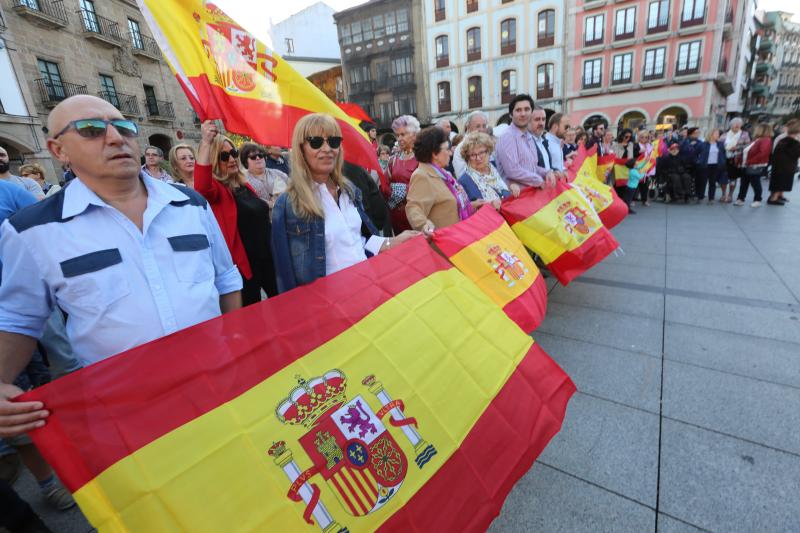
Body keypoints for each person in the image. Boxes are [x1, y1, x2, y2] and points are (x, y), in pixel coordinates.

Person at [0, 94, 242, 435]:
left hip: (221, 389)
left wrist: (236, 347)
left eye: (124, 128)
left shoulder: (191, 205)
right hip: (130, 414)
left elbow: (226, 279)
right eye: (90, 129)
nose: (115, 138)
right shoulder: (32, 230)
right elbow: (18, 318)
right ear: (58, 150)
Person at [271, 113, 418, 292]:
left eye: (333, 141)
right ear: (301, 149)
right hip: (331, 308)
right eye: (316, 142)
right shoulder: (288, 205)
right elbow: (286, 277)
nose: (327, 149)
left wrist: (393, 242)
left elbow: (357, 240)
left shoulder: (349, 190)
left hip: (370, 292)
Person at [195, 122, 278, 304]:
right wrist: (207, 143)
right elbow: (201, 186)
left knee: (284, 305)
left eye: (233, 153)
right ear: (215, 159)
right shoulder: (217, 191)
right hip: (245, 266)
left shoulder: (243, 184)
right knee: (254, 318)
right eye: (224, 156)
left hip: (268, 257)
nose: (232, 159)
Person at [406, 126, 477, 235]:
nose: (450, 153)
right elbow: (414, 208)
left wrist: (476, 205)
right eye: (447, 149)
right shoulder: (422, 175)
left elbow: (453, 206)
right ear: (435, 154)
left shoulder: (445, 174)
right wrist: (425, 226)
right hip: (445, 244)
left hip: (460, 237)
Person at [495, 94, 556, 192]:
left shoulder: (529, 137)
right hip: (516, 199)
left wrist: (547, 172)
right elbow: (512, 171)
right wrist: (538, 180)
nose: (523, 114)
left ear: (531, 112)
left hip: (530, 195)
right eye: (518, 110)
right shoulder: (508, 137)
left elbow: (533, 167)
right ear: (511, 114)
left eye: (527, 109)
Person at [382, 115, 420, 233]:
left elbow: (424, 187)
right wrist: (392, 193)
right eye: (397, 135)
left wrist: (403, 190)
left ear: (414, 135)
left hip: (416, 216)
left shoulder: (422, 159)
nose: (399, 139)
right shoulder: (393, 160)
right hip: (396, 217)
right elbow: (384, 185)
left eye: (403, 134)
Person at [343, 160, 393, 236]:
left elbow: (365, 206)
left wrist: (369, 235)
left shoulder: (350, 169)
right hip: (372, 223)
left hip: (377, 224)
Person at [457, 132, 508, 204]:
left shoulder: (497, 167)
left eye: (481, 152)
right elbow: (465, 210)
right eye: (473, 155)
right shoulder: (463, 181)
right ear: (467, 158)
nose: (478, 158)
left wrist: (512, 186)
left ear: (488, 151)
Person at [239, 142, 288, 211]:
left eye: (260, 155)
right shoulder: (242, 180)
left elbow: (293, 188)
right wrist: (270, 204)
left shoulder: (278, 173)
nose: (258, 158)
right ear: (246, 162)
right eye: (253, 157)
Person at [736, 123, 772, 208]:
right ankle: (741, 199)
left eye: (757, 128)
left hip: (755, 165)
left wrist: (750, 161)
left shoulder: (766, 140)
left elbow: (763, 153)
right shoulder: (757, 139)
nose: (755, 130)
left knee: (755, 183)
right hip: (747, 164)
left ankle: (757, 200)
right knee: (744, 182)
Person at [768, 119, 800, 205]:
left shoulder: (783, 139)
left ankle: (778, 196)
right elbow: (796, 152)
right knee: (782, 181)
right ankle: (774, 198)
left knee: (780, 181)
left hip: (780, 164)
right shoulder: (792, 141)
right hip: (786, 165)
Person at [452, 111, 489, 178]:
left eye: (484, 126)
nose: (482, 129)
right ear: (468, 128)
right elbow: (462, 178)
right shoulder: (461, 148)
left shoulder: (486, 144)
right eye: (478, 126)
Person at [695, 129, 727, 204]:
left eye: (718, 134)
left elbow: (723, 154)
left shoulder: (720, 144)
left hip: (716, 166)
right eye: (716, 133)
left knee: (712, 183)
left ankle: (711, 198)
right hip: (705, 165)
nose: (718, 135)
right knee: (703, 182)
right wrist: (698, 161)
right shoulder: (703, 144)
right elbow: (695, 153)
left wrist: (723, 162)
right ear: (711, 134)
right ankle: (700, 196)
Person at [723, 117, 750, 203]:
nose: (737, 125)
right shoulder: (725, 134)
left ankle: (730, 194)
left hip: (736, 159)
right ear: (731, 125)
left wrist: (737, 148)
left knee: (733, 178)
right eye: (735, 124)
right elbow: (719, 144)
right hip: (725, 158)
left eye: (739, 124)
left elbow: (748, 145)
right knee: (723, 177)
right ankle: (724, 194)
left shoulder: (744, 134)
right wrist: (725, 148)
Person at [680, 127, 703, 202]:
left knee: (700, 176)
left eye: (698, 133)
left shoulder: (700, 142)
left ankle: (697, 194)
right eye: (696, 133)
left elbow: (702, 152)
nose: (697, 134)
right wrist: (691, 146)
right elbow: (683, 151)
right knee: (686, 177)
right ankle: (686, 194)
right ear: (691, 134)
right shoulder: (684, 141)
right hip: (685, 164)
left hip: (696, 164)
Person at [634, 129, 654, 206]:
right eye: (642, 137)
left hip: (647, 166)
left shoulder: (650, 145)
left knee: (645, 184)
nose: (644, 139)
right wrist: (638, 152)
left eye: (646, 137)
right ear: (639, 137)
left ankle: (644, 199)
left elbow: (652, 154)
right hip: (638, 166)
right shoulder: (636, 145)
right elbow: (633, 155)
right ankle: (633, 199)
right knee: (635, 184)